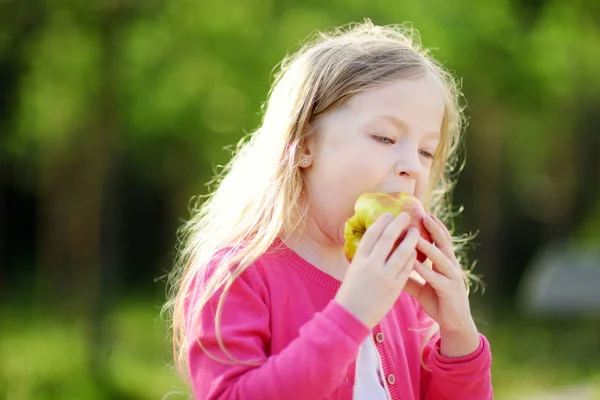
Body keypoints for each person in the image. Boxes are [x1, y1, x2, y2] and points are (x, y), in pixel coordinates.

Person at [164, 20, 493, 400]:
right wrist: (352, 313)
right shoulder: (239, 275)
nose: (413, 166)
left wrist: (458, 334)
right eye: (385, 137)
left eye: (425, 151)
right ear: (305, 145)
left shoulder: (404, 286)